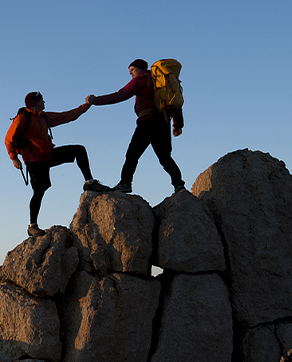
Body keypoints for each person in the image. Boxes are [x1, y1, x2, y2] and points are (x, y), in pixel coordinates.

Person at [10, 91, 114, 237]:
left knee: (79, 150)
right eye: (42, 100)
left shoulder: (43, 117)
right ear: (35, 103)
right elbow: (9, 138)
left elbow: (67, 116)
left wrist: (86, 105)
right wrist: (14, 158)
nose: (44, 102)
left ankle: (89, 182)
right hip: (34, 160)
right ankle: (32, 226)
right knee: (39, 191)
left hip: (48, 155)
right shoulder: (22, 118)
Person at [86, 59, 184, 194]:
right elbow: (174, 102)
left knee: (132, 154)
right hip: (163, 122)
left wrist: (95, 100)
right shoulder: (160, 81)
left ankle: (125, 183)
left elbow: (121, 95)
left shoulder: (141, 80)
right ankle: (179, 184)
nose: (130, 73)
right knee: (165, 157)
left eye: (132, 70)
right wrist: (177, 124)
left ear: (140, 68)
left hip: (147, 122)